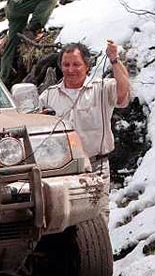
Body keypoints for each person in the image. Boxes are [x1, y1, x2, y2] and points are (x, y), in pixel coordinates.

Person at [39, 40, 131, 223]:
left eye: (76, 64)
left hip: (96, 166)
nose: (70, 69)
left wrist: (114, 60)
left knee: (99, 219)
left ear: (87, 66)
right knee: (63, 222)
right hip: (60, 171)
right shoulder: (48, 96)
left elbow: (123, 93)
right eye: (66, 64)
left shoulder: (102, 88)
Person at [0, 0, 79, 84]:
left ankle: (4, 79)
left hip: (13, 4)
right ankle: (32, 29)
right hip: (20, 1)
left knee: (12, 42)